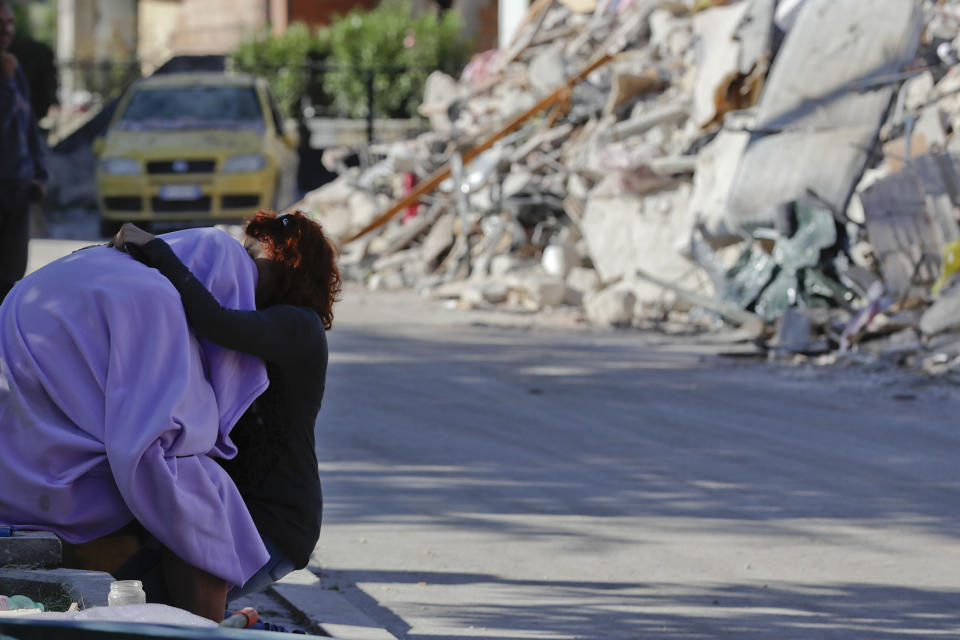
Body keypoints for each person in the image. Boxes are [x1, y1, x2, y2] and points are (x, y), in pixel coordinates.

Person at [0, 226, 272, 621]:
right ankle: (205, 627)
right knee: (205, 496)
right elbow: (151, 438)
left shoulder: (89, 262)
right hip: (55, 485)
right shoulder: (154, 296)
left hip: (15, 465)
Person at [110, 210, 341, 604]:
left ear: (289, 264)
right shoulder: (271, 323)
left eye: (253, 257)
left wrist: (157, 251)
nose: (241, 266)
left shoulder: (298, 326)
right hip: (232, 510)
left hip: (274, 521)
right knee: (120, 592)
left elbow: (216, 322)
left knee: (157, 603)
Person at [0, 0, 48, 302]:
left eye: (9, 23)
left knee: (13, 275)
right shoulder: (8, 72)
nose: (6, 30)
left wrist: (40, 174)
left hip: (18, 188)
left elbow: (28, 124)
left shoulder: (12, 68)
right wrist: (4, 81)